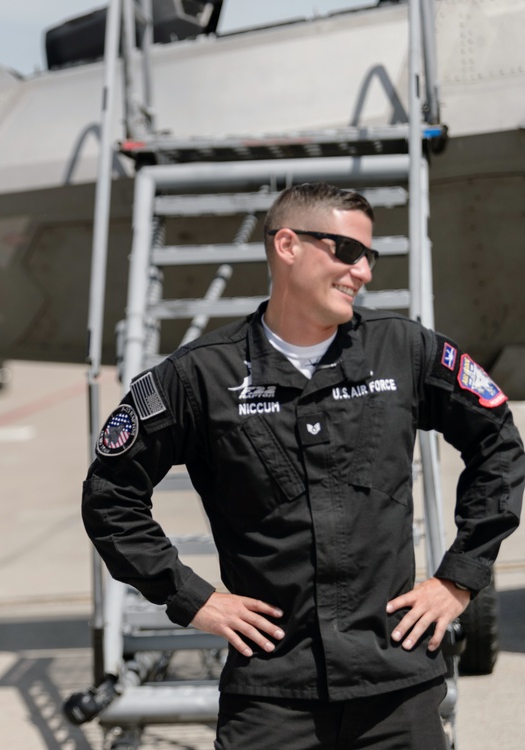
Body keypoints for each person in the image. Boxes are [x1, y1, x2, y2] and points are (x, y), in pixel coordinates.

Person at [81, 182, 524, 749]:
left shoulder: (405, 351)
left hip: (395, 686)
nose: (362, 270)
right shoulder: (201, 376)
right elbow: (110, 493)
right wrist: (193, 597)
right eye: (346, 251)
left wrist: (460, 578)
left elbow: (499, 444)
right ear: (287, 245)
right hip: (270, 693)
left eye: (369, 256)